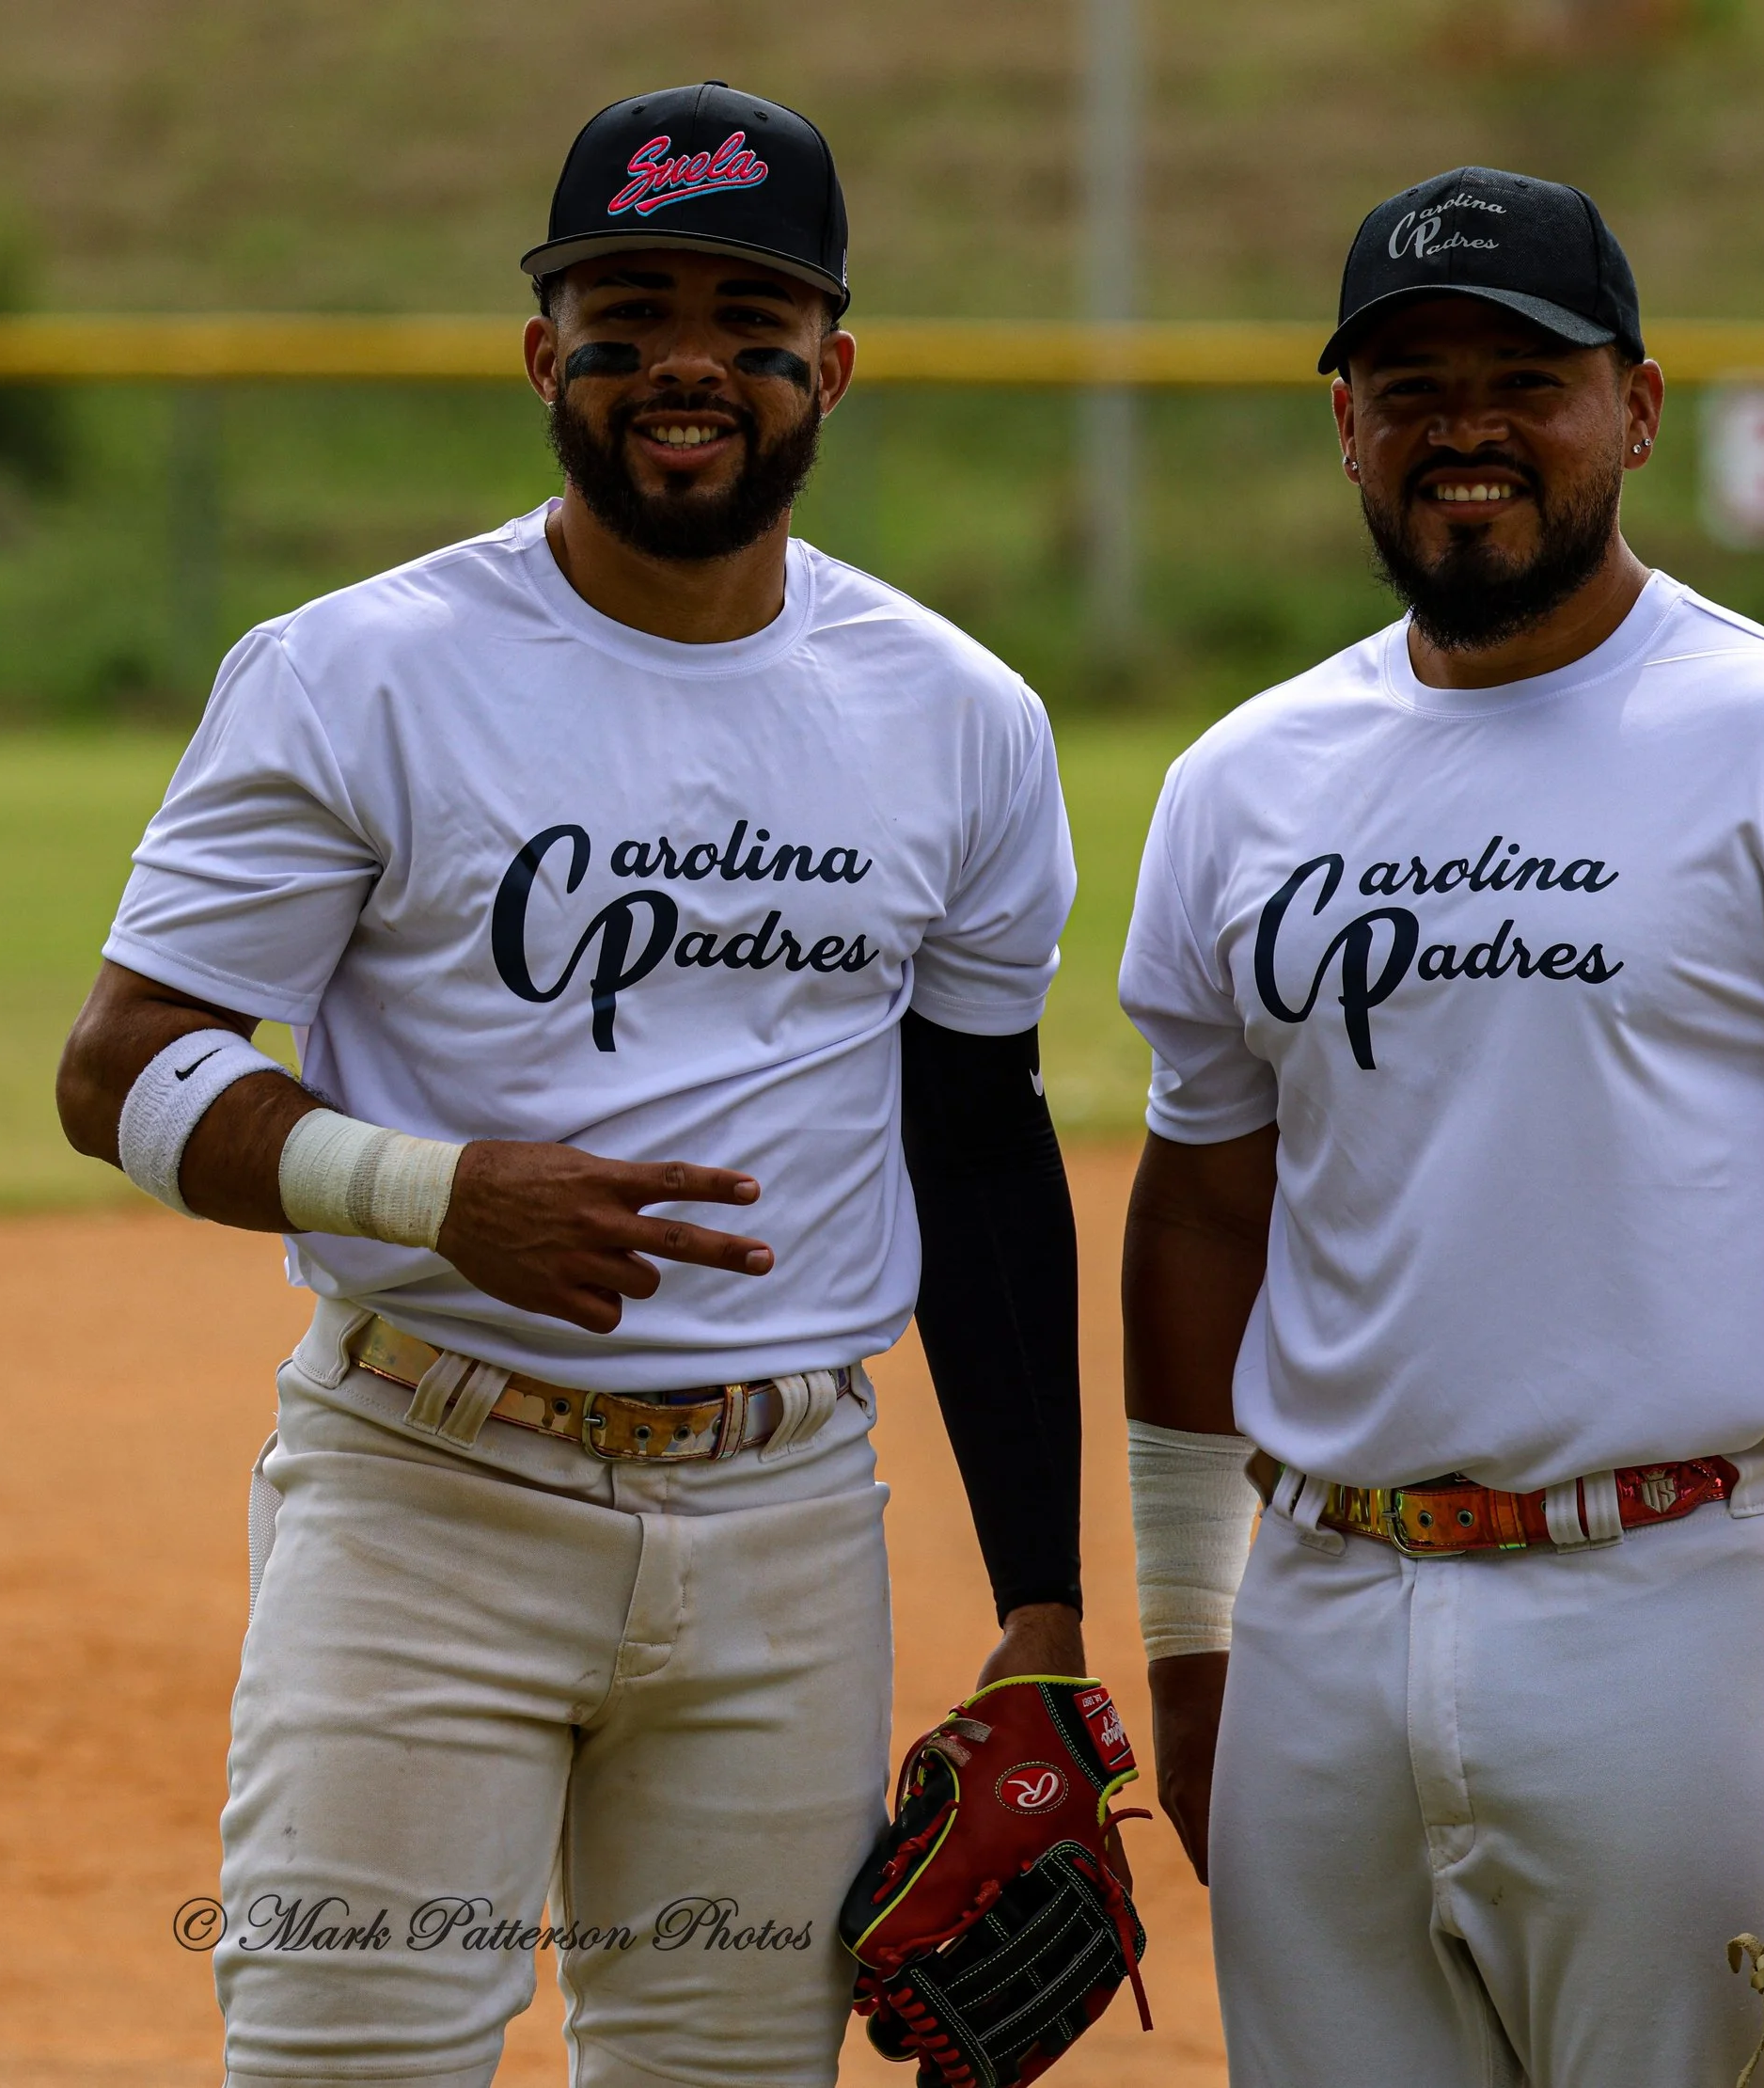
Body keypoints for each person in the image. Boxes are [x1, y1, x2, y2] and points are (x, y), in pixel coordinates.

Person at [55, 81, 1085, 2088]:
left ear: (830, 368)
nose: (687, 362)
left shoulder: (959, 718)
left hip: (789, 1525)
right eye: (629, 316)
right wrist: (430, 1196)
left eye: (747, 317)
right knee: (349, 2063)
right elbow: (123, 1072)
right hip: (426, 1492)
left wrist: (1040, 1603)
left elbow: (976, 1150)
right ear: (546, 358)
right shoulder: (358, 672)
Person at [1115, 166, 1764, 2085]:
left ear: (1633, 410)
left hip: (1684, 1608)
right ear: (1346, 427)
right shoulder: (1241, 781)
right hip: (1319, 1618)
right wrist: (1189, 1628)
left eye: (1523, 382)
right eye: (1411, 387)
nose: (1463, 429)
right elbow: (1201, 1210)